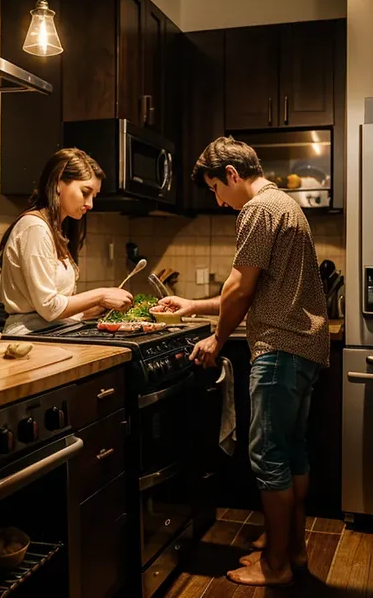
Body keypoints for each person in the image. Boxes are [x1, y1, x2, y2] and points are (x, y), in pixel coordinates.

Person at [158, 136, 329, 587]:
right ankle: (292, 549)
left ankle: (274, 566)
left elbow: (241, 288)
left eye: (215, 188)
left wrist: (217, 339)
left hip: (279, 351)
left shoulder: (257, 210)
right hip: (303, 348)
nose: (218, 199)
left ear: (232, 175)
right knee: (292, 454)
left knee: (268, 456)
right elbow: (253, 292)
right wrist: (193, 306)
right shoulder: (283, 205)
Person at [0, 148, 132, 335]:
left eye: (94, 196)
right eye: (85, 192)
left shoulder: (54, 230)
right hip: (31, 338)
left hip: (53, 333)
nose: (90, 204)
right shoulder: (34, 227)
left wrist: (99, 307)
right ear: (59, 183)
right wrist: (101, 295)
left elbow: (56, 310)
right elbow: (49, 307)